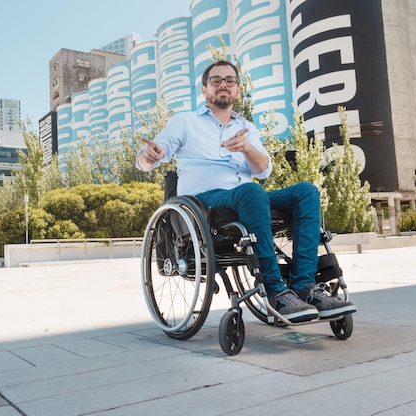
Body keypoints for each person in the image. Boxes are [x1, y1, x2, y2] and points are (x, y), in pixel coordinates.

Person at [137, 60, 356, 322]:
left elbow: (263, 170)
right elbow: (152, 154)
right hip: (205, 202)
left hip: (248, 198)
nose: (223, 85)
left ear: (237, 91)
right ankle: (276, 290)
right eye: (216, 80)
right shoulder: (185, 122)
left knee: (306, 192)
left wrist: (247, 148)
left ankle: (305, 287)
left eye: (229, 81)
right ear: (205, 90)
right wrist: (149, 155)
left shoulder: (247, 128)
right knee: (251, 191)